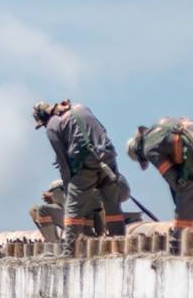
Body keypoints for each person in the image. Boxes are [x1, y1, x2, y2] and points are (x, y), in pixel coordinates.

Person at [32, 99, 127, 256]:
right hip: (108, 157)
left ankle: (68, 251)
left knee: (72, 209)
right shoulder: (82, 108)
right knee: (112, 205)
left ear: (43, 118)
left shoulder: (52, 127)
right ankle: (120, 245)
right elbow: (102, 130)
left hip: (85, 165)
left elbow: (63, 163)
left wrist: (70, 190)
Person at [126, 117, 193, 255]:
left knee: (187, 192)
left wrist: (180, 190)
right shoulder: (165, 123)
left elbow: (173, 179)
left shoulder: (149, 147)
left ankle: (178, 245)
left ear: (138, 150)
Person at [28, 177, 134, 242]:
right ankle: (54, 244)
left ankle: (53, 245)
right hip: (82, 231)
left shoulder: (83, 195)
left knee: (40, 210)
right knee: (36, 211)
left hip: (83, 232)